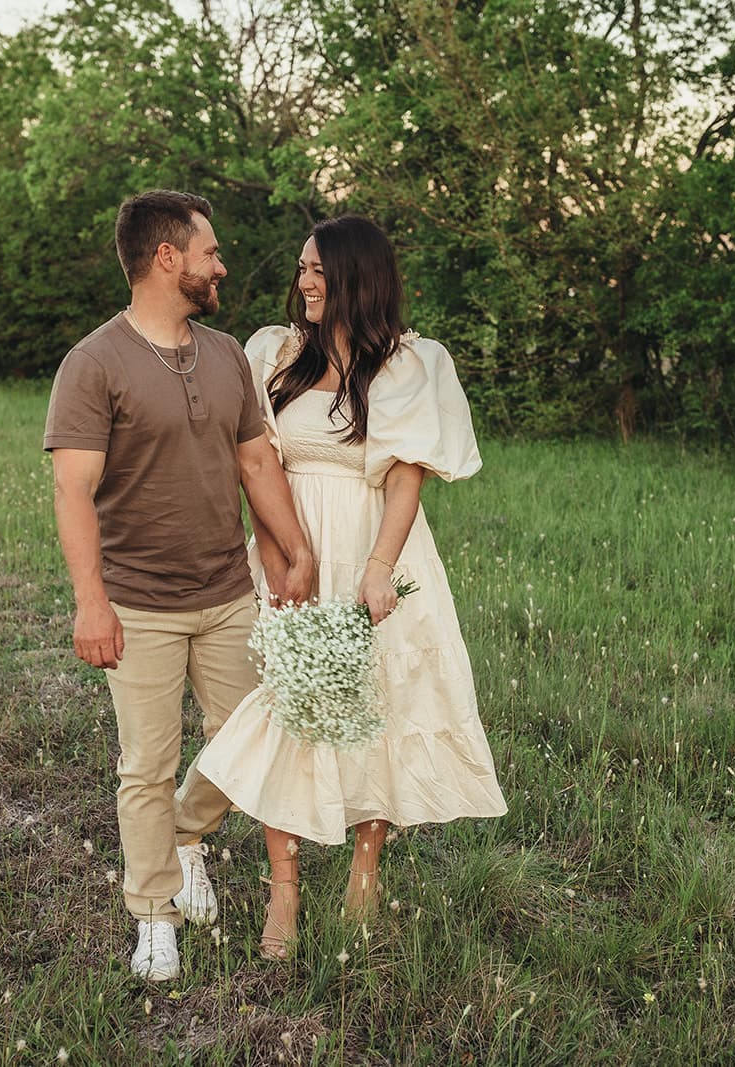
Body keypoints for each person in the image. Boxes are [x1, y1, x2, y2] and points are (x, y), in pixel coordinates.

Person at [195, 215, 507, 960]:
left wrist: (378, 566)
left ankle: (365, 873)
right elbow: (253, 463)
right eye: (302, 268)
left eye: (319, 270)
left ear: (355, 278)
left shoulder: (407, 363)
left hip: (375, 544)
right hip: (292, 542)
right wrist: (279, 554)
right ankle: (284, 888)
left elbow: (406, 478)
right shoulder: (274, 353)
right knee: (286, 709)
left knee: (376, 705)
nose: (304, 281)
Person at [43, 190, 315, 981]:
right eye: (209, 252)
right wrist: (92, 603)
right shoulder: (94, 363)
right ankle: (154, 912)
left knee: (251, 738)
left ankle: (186, 832)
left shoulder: (225, 354)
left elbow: (255, 460)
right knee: (147, 764)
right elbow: (72, 489)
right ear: (168, 258)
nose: (220, 265)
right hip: (138, 602)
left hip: (228, 590)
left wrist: (297, 551)